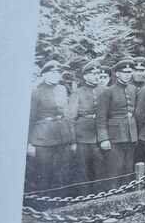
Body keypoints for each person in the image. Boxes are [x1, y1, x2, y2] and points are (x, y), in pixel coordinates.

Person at [27, 60, 74, 190]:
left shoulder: (62, 90)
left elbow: (67, 115)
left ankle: (61, 205)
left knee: (61, 174)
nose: (56, 75)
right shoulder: (36, 92)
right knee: (44, 174)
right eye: (52, 73)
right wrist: (29, 144)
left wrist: (71, 138)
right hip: (43, 139)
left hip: (62, 137)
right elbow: (30, 119)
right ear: (44, 75)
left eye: (58, 73)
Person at [96, 57, 140, 179]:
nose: (127, 75)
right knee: (115, 169)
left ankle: (128, 196)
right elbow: (101, 118)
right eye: (124, 72)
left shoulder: (133, 89)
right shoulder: (108, 92)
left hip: (131, 135)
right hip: (114, 136)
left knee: (128, 169)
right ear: (117, 73)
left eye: (129, 72)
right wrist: (103, 139)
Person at [67, 59, 105, 182]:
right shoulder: (77, 93)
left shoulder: (104, 90)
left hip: (100, 136)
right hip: (83, 137)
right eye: (93, 74)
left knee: (100, 170)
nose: (96, 77)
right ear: (85, 76)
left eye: (98, 74)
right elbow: (71, 119)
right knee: (83, 171)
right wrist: (73, 141)